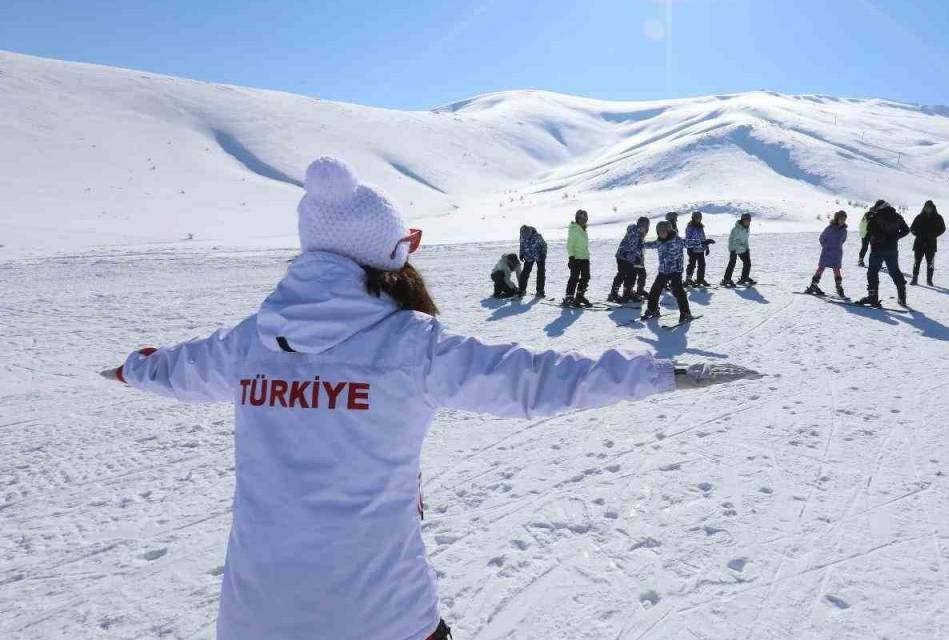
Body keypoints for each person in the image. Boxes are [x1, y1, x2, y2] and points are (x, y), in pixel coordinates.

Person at [96, 157, 759, 640]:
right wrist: (657, 374)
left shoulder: (251, 343)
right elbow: (539, 380)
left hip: (252, 621)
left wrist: (132, 369)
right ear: (386, 253)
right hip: (381, 620)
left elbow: (175, 369)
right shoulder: (412, 344)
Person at [854, 201, 910, 307]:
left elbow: (869, 229)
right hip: (892, 249)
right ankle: (902, 297)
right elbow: (906, 230)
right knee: (894, 271)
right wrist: (895, 237)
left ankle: (873, 297)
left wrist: (879, 236)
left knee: (873, 272)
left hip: (877, 249)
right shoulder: (897, 216)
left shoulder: (877, 216)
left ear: (879, 207)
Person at [640, 220, 694, 323]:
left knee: (678, 291)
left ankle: (686, 313)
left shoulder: (676, 240)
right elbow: (650, 244)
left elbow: (689, 242)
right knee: (654, 291)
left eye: (664, 231)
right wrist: (640, 244)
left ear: (669, 231)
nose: (662, 233)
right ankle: (652, 310)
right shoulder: (659, 242)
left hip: (675, 271)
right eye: (659, 231)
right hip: (663, 271)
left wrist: (703, 242)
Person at [805, 210, 848, 298]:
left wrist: (837, 247)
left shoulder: (844, 231)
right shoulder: (830, 228)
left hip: (837, 253)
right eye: (841, 219)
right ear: (837, 219)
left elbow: (843, 240)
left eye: (844, 219)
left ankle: (839, 288)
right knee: (821, 268)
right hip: (827, 252)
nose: (843, 221)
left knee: (837, 270)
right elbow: (822, 238)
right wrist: (826, 246)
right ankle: (813, 285)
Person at [609, 216, 649, 303]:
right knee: (622, 274)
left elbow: (639, 249)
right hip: (623, 257)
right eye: (642, 225)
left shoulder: (640, 235)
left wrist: (639, 260)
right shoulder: (634, 232)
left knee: (632, 275)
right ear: (639, 225)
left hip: (631, 259)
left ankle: (628, 292)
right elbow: (633, 246)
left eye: (646, 226)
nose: (644, 228)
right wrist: (637, 258)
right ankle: (613, 293)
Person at [909, 200, 946, 286]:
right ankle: (915, 279)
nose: (928, 209)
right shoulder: (919, 217)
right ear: (924, 208)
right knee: (917, 262)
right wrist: (917, 234)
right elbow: (912, 228)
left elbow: (943, 228)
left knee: (930, 263)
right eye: (926, 207)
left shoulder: (938, 217)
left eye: (930, 207)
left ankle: (929, 280)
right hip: (919, 243)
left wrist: (934, 235)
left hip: (931, 244)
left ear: (933, 208)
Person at [562, 209, 592, 307]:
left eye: (585, 218)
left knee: (586, 277)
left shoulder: (583, 230)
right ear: (577, 219)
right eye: (581, 218)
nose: (583, 220)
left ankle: (579, 296)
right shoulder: (574, 229)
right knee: (574, 278)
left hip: (585, 258)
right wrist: (571, 257)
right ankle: (569, 297)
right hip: (576, 258)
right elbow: (570, 245)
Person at [720, 213, 754, 287]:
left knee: (747, 262)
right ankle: (726, 279)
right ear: (742, 220)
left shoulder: (747, 229)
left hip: (742, 247)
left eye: (748, 221)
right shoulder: (736, 229)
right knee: (732, 263)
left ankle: (744, 278)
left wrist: (747, 248)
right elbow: (734, 241)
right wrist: (740, 248)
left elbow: (745, 240)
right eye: (745, 220)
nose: (747, 222)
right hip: (734, 248)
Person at [683, 210, 715, 287]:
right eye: (696, 218)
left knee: (702, 265)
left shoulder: (700, 227)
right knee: (692, 264)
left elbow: (703, 239)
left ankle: (700, 279)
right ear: (693, 218)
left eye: (699, 218)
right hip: (693, 250)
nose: (698, 219)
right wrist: (690, 248)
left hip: (700, 249)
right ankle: (688, 279)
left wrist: (706, 247)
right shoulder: (690, 227)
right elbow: (688, 239)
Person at [517, 225, 547, 297]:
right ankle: (522, 290)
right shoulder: (522, 236)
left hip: (539, 256)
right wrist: (521, 254)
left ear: (530, 232)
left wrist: (543, 254)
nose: (525, 236)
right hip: (528, 256)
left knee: (541, 273)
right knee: (525, 273)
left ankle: (540, 291)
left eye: (526, 235)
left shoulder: (537, 236)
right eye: (523, 235)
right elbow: (522, 245)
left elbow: (544, 245)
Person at [857, 202, 881, 267]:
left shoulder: (870, 213)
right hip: (868, 233)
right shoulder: (872, 213)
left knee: (868, 247)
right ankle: (861, 261)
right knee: (868, 247)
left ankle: (862, 261)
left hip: (867, 233)